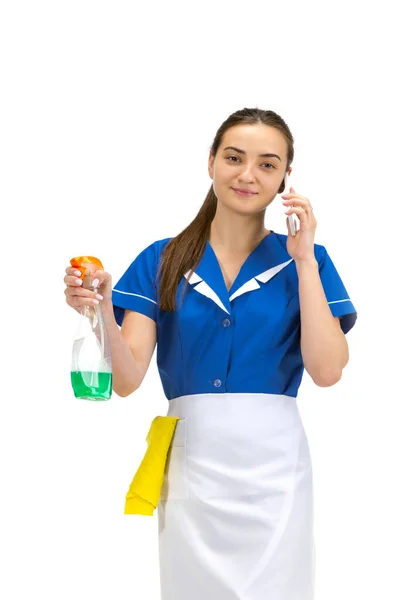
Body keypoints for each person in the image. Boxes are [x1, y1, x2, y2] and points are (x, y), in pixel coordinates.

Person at [64, 107, 357, 600]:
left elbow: (327, 371)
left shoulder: (307, 260)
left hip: (276, 471)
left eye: (267, 164)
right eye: (234, 158)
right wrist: (100, 310)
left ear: (286, 177)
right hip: (192, 466)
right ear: (210, 163)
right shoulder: (162, 259)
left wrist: (304, 259)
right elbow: (127, 379)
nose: (248, 174)